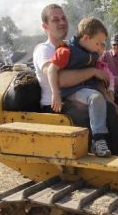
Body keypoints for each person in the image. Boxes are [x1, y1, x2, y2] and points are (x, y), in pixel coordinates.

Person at [33, 4, 118, 155]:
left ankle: (117, 153)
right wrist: (92, 72)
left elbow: (98, 73)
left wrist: (108, 93)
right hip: (56, 104)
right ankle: (110, 153)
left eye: (64, 18)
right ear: (45, 26)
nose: (61, 22)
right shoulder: (44, 49)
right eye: (55, 19)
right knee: (99, 111)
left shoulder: (76, 48)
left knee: (111, 106)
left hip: (75, 97)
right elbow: (60, 79)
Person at [48, 17, 113, 157]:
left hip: (84, 88)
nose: (99, 47)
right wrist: (55, 93)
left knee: (105, 102)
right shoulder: (66, 51)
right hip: (70, 91)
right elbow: (51, 70)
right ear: (86, 38)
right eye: (98, 43)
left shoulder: (90, 52)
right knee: (95, 98)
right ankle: (98, 140)